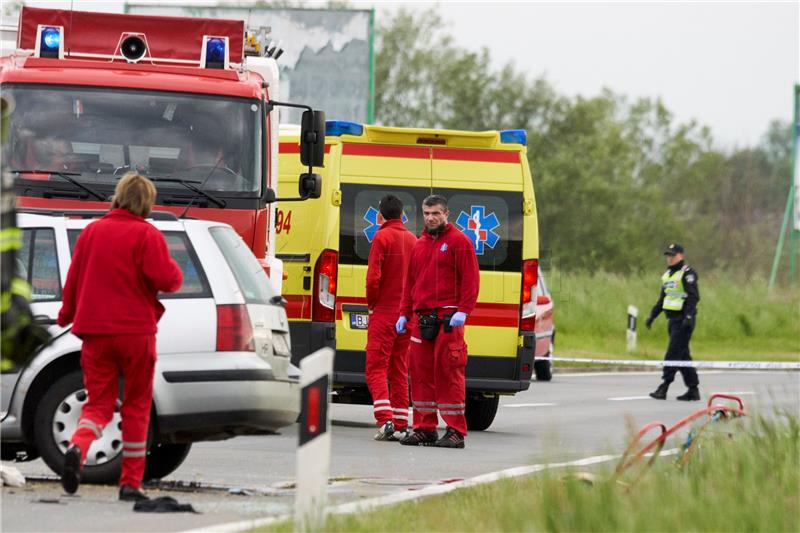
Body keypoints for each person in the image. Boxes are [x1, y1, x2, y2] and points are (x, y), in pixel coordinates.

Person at [57, 172, 183, 500]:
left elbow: (74, 280)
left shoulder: (91, 232)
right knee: (136, 406)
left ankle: (77, 447)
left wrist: (66, 315)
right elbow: (168, 279)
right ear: (148, 202)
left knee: (98, 404)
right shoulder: (147, 235)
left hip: (96, 333)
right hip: (136, 333)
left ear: (117, 196)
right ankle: (130, 483)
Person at [396, 195, 479, 449]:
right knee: (420, 375)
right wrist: (404, 313)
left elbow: (471, 280)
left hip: (448, 320)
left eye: (436, 213)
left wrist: (463, 310)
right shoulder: (420, 245)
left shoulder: (459, 242)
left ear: (446, 215)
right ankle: (424, 428)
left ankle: (455, 431)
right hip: (422, 320)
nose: (431, 217)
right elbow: (410, 284)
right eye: (427, 213)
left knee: (449, 374)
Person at [364, 195, 417, 441]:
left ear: (379, 215)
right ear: (402, 215)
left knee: (376, 366)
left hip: (384, 312)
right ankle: (401, 423)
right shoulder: (413, 240)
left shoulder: (381, 237)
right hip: (406, 316)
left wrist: (371, 303)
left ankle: (385, 420)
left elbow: (373, 277)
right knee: (399, 368)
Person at [645, 243, 701, 401]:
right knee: (683, 356)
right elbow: (663, 298)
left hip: (684, 321)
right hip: (673, 321)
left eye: (673, 255)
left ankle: (664, 387)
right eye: (668, 255)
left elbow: (693, 296)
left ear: (681, 255)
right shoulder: (668, 275)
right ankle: (693, 389)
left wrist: (689, 316)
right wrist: (653, 316)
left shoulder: (687, 273)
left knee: (672, 354)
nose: (670, 258)